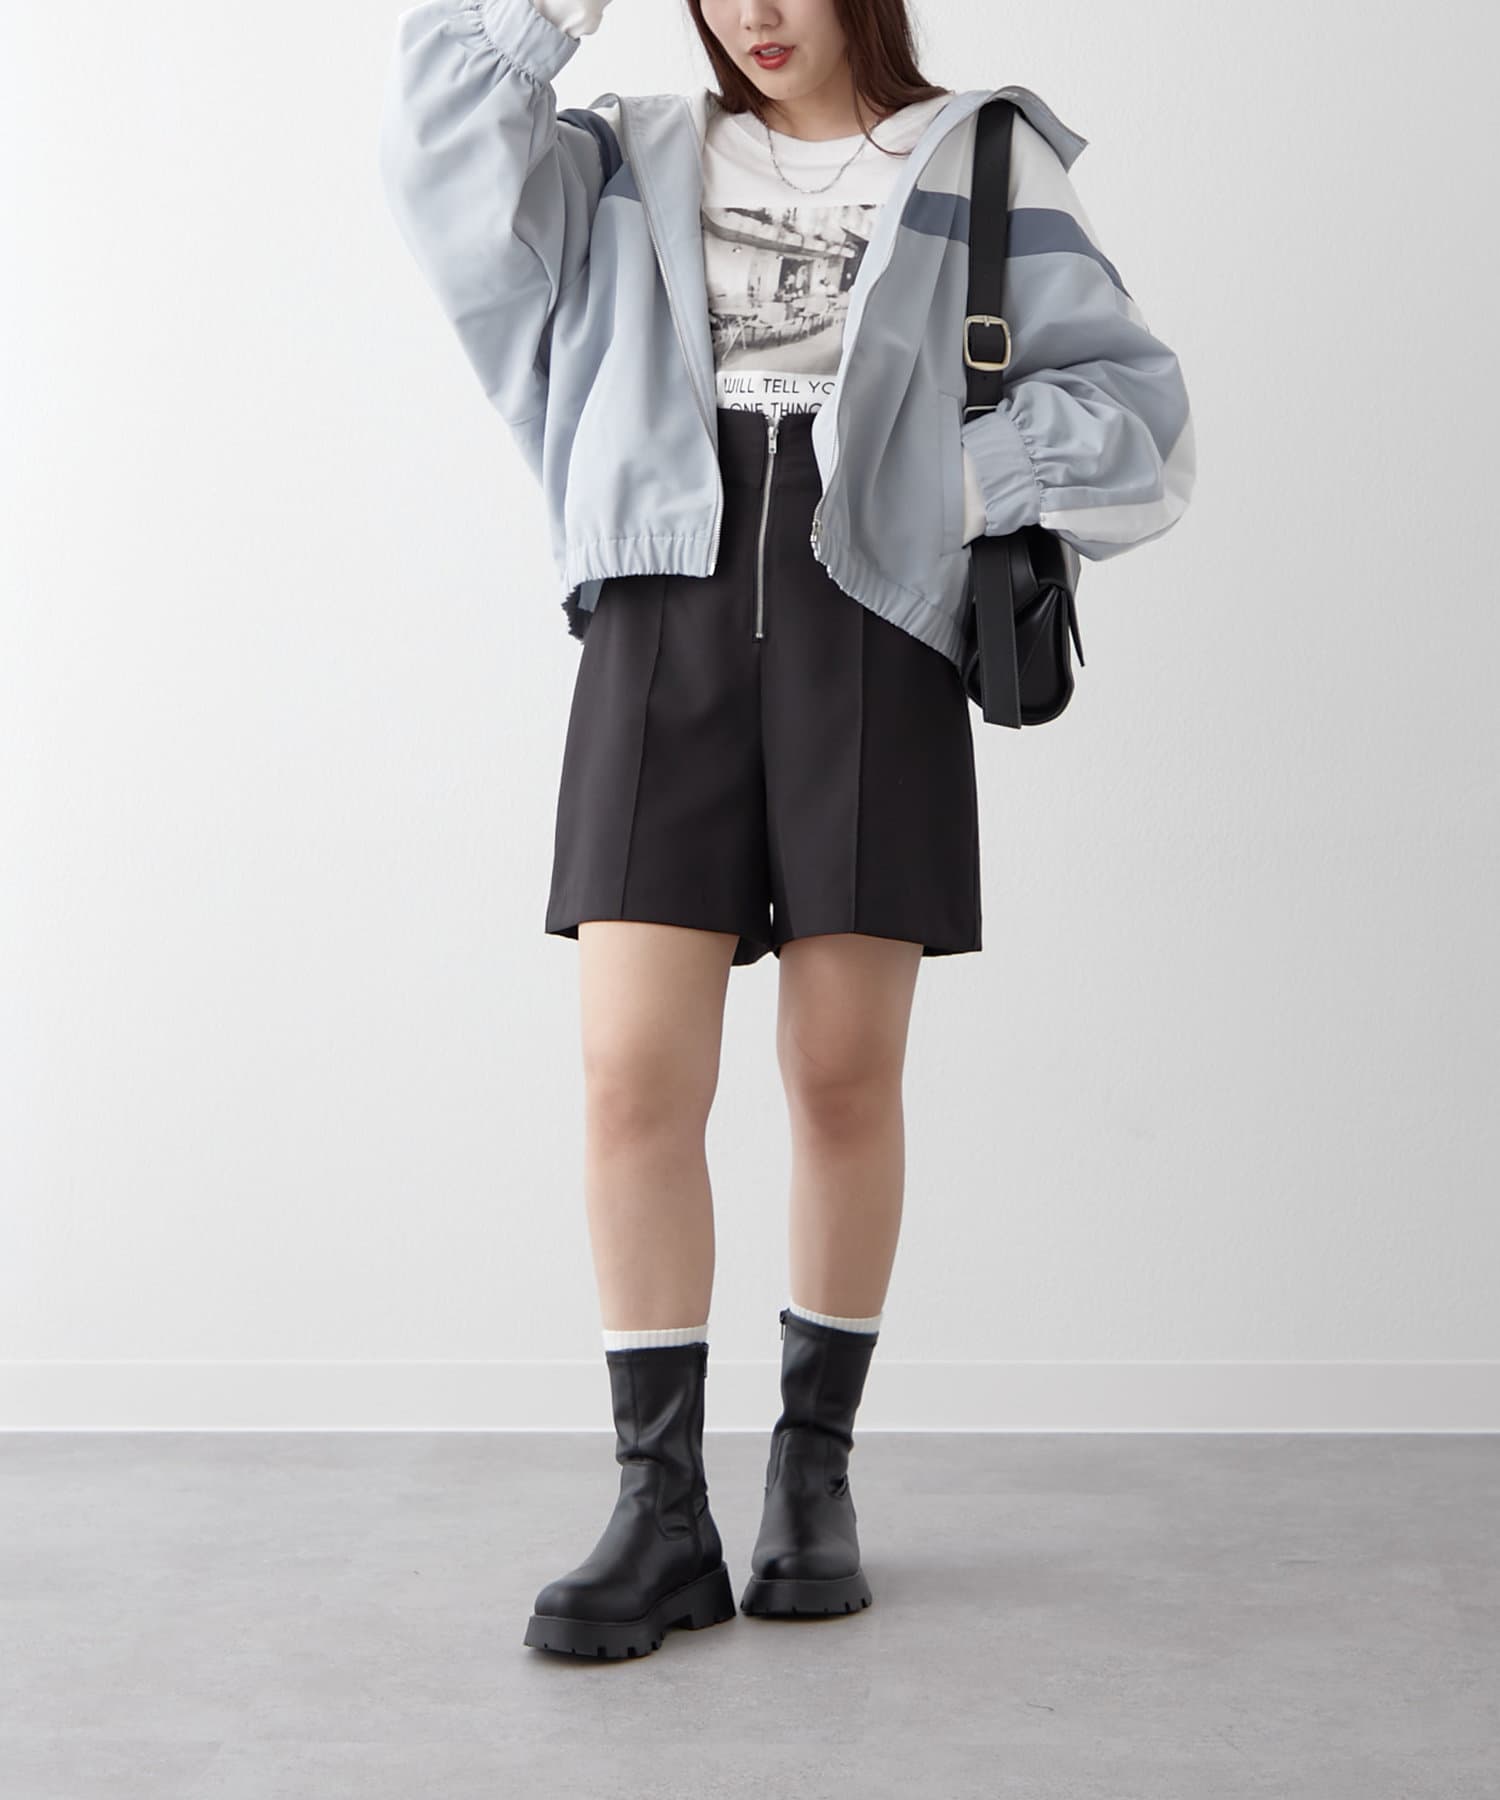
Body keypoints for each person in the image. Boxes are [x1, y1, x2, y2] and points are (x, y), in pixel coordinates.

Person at [379, 0, 1195, 1659]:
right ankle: (658, 1509)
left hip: (872, 626)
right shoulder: (621, 159)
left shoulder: (981, 156)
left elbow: (1142, 411)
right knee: (631, 1076)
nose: (753, 10)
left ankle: (812, 1479)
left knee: (839, 1075)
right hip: (659, 614)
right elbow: (432, 154)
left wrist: (951, 480)